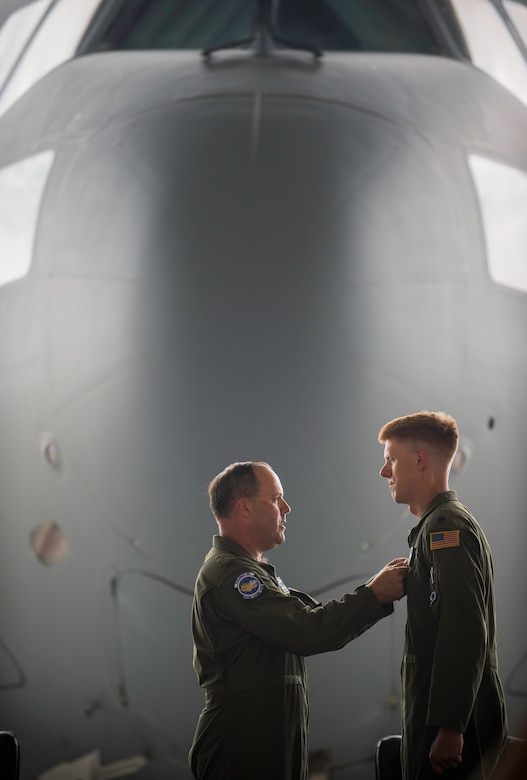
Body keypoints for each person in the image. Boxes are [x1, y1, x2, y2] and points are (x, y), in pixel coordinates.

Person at [189, 460, 408, 780]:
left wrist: (373, 593)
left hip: (261, 748)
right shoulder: (233, 576)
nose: (287, 508)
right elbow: (308, 631)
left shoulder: (249, 572)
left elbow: (310, 618)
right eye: (276, 499)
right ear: (244, 507)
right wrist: (373, 595)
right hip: (241, 752)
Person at [378, 411, 508, 779]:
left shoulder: (445, 526)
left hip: (454, 731)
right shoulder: (433, 528)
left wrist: (450, 728)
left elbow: (464, 627)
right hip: (441, 721)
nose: (384, 472)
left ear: (419, 459)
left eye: (390, 460)